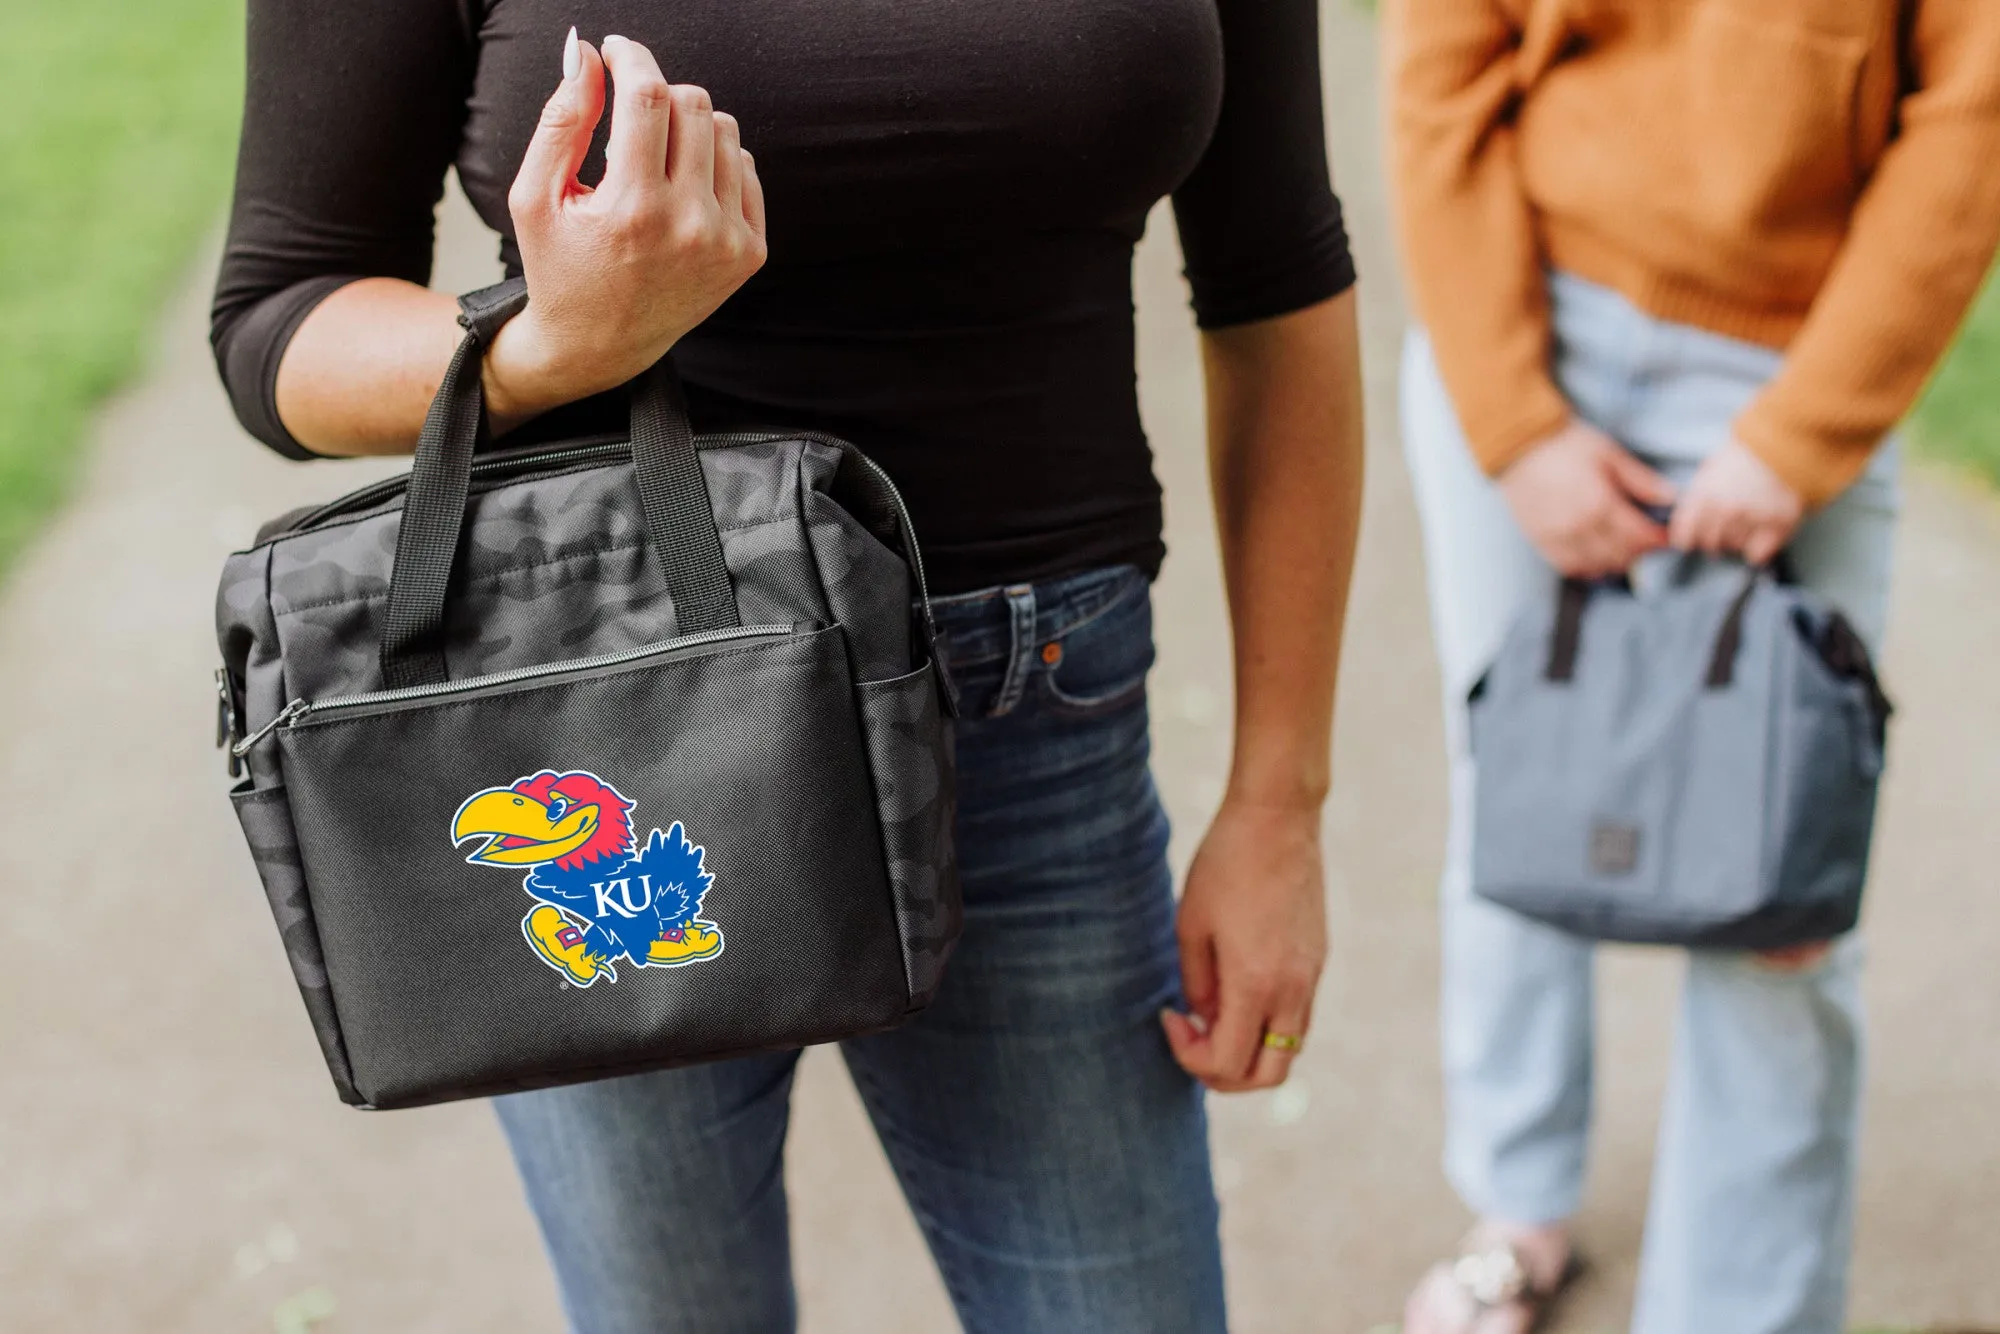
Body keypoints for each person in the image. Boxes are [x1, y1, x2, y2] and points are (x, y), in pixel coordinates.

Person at [211, 5, 1365, 1330]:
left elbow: (1280, 281)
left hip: (1034, 723)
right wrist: (537, 350)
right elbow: (280, 318)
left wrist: (1283, 799)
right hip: (607, 742)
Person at [1385, 1, 2000, 1330]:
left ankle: (1744, 1309)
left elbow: (1975, 109)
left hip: (1798, 352)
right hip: (1527, 318)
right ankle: (1518, 1204)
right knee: (1516, 796)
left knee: (1783, 888)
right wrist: (1513, 421)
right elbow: (1439, 71)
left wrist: (1801, 434)